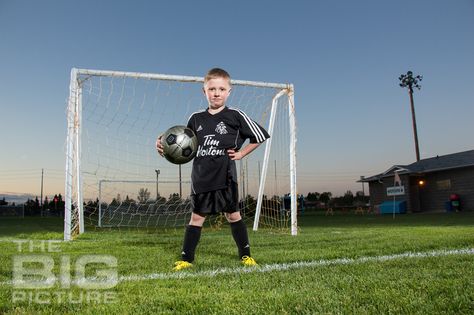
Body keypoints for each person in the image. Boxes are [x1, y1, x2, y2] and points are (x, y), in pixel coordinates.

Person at [156, 68, 270, 271]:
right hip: (201, 178)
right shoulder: (196, 118)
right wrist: (164, 145)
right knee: (197, 217)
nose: (217, 93)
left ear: (229, 91)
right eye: (212, 89)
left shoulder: (235, 116)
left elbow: (260, 136)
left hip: (225, 177)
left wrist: (242, 154)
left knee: (233, 215)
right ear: (204, 91)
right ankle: (186, 259)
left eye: (221, 89)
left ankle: (246, 256)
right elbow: (182, 143)